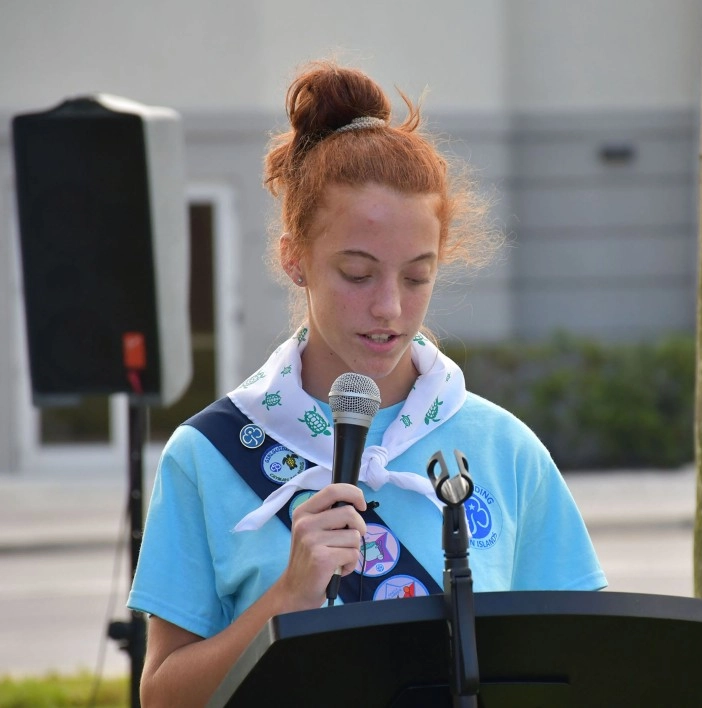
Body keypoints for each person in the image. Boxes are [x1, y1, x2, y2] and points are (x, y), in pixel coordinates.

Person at [127, 60, 607, 706]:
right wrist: (286, 598)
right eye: (357, 274)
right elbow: (163, 697)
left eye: (417, 276)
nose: (390, 308)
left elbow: (586, 670)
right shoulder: (207, 454)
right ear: (294, 258)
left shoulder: (505, 448)